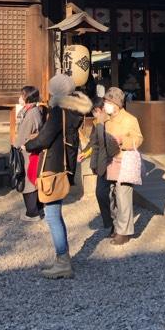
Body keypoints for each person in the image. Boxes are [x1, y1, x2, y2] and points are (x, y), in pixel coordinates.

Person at [26, 74, 92, 279]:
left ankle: (62, 260)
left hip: (53, 166)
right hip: (66, 166)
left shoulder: (59, 110)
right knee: (56, 212)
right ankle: (63, 258)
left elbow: (46, 137)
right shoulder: (75, 109)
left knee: (52, 215)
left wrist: (29, 144)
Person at [102, 87, 144, 245]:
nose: (105, 105)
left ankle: (124, 232)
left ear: (116, 103)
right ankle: (116, 225)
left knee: (123, 196)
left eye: (107, 102)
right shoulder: (106, 120)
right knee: (111, 195)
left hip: (124, 160)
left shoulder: (130, 119)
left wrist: (123, 141)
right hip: (110, 161)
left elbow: (139, 139)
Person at [13, 85, 47, 221]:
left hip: (28, 151)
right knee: (32, 178)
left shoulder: (31, 113)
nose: (20, 98)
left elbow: (23, 135)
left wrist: (16, 146)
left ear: (27, 97)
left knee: (28, 180)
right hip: (31, 150)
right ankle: (37, 209)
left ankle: (32, 212)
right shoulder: (33, 110)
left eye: (22, 95)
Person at [88, 98, 117, 236]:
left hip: (114, 161)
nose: (96, 114)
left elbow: (108, 143)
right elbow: (94, 144)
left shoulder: (111, 122)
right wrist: (92, 162)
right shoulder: (97, 123)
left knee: (116, 195)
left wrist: (101, 125)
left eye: (97, 111)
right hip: (102, 163)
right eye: (94, 112)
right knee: (100, 193)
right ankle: (109, 222)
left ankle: (117, 225)